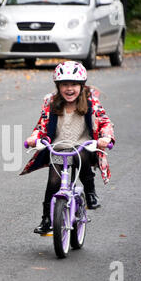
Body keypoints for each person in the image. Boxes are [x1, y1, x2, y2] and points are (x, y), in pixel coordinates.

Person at [20, 61, 115, 235]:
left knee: (84, 157)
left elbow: (104, 122)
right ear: (58, 86)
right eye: (64, 84)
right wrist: (34, 138)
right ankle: (47, 219)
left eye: (73, 84)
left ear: (81, 86)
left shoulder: (91, 102)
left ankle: (90, 191)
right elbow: (42, 125)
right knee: (53, 183)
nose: (69, 89)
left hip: (83, 146)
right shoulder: (51, 102)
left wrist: (106, 138)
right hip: (59, 148)